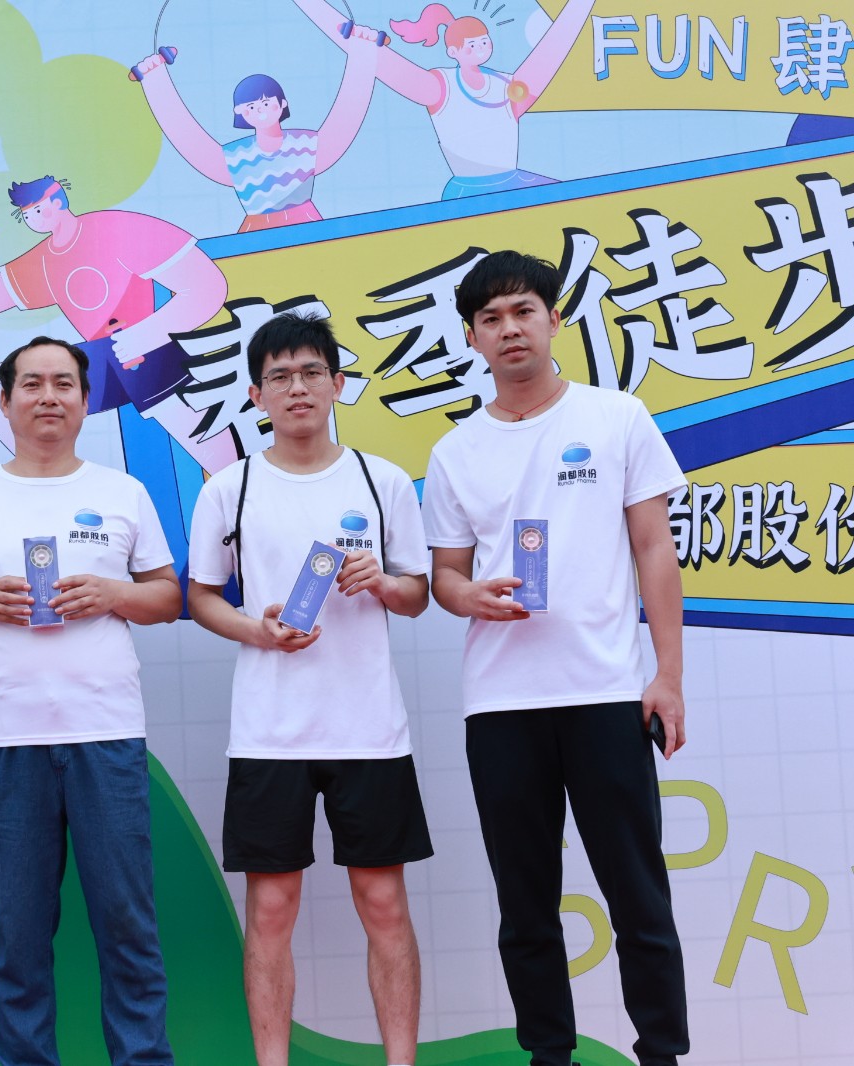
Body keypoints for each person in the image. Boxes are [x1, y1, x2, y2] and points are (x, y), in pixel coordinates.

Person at [421, 250, 689, 1066]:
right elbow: (445, 575)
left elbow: (654, 548)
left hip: (606, 692)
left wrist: (667, 677)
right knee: (525, 902)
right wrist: (468, 596)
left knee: (637, 891)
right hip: (501, 704)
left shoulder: (616, 418)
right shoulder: (456, 451)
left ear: (554, 320)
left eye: (523, 311)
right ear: (473, 337)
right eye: (491, 319)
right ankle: (548, 1054)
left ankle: (662, 1053)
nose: (510, 330)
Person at [0, 336, 182, 1065]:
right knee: (19, 937)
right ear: (5, 402)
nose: (48, 397)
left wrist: (113, 593)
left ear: (86, 401)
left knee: (128, 929)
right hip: (11, 742)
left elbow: (166, 597)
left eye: (64, 383)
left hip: (108, 736)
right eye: (31, 384)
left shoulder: (122, 493)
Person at [186, 312, 431, 1066]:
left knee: (384, 904)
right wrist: (255, 630)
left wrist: (383, 583)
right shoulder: (229, 488)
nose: (298, 388)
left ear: (337, 384)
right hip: (270, 732)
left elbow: (418, 595)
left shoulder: (382, 481)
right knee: (271, 909)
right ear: (256, 395)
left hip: (369, 730)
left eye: (312, 373)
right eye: (280, 376)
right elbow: (202, 597)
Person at [0, 176, 237, 472]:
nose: (33, 219)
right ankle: (50, 481)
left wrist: (147, 335)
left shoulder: (114, 229)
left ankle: (243, 494)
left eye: (38, 209)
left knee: (209, 444)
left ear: (58, 200)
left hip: (148, 352)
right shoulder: (45, 260)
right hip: (105, 359)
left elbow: (207, 286)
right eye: (26, 215)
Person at [293, 0, 595, 199]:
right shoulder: (441, 87)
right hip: (470, 192)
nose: (481, 48)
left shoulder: (506, 85)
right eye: (471, 44)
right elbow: (386, 64)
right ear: (453, 52)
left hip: (512, 182)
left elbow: (552, 49)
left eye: (484, 42)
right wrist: (337, 25)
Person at [132, 26, 380, 231]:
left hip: (307, 227)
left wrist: (363, 52)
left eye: (266, 102)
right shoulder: (236, 157)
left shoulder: (304, 144)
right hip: (258, 233)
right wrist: (155, 79)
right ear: (240, 113)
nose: (260, 110)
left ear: (282, 104)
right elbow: (190, 140)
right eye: (250, 106)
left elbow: (345, 118)